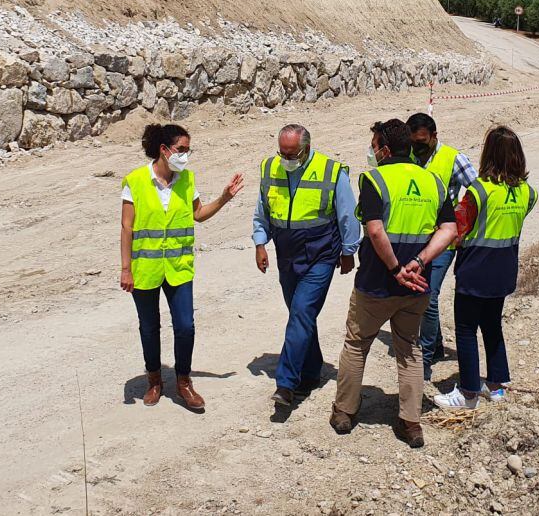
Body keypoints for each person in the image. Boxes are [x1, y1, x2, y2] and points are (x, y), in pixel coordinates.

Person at [330, 119, 458, 448]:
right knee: (410, 350)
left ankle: (344, 411)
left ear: (384, 150)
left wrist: (396, 267)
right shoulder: (433, 182)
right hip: (416, 285)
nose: (372, 152)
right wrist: (418, 263)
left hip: (376, 281)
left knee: (357, 344)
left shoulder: (374, 179)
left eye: (374, 146)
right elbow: (449, 230)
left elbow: (374, 230)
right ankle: (410, 422)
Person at [120, 123, 244, 411]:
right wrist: (126, 268)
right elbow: (127, 227)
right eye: (181, 150)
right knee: (149, 328)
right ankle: (154, 381)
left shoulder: (187, 180)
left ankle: (184, 381)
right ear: (164, 150)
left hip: (178, 267)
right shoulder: (136, 180)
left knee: (185, 326)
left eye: (188, 150)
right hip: (145, 269)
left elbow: (198, 214)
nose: (185, 156)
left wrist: (225, 197)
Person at [253, 124, 361, 407]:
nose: (286, 159)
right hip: (286, 254)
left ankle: (287, 383)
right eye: (283, 153)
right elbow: (262, 209)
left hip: (320, 254)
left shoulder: (331, 171)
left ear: (307, 148)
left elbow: (347, 214)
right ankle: (312, 371)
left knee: (301, 312)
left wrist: (349, 251)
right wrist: (260, 243)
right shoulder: (270, 168)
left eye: (293, 153)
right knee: (301, 314)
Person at [433, 125, 537, 410]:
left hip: (475, 269)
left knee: (466, 328)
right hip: (504, 270)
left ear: (488, 154)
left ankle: (467, 393)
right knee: (492, 326)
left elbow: (459, 228)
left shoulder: (479, 191)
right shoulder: (527, 193)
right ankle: (496, 386)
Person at [406, 112, 479, 381]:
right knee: (421, 294)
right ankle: (435, 345)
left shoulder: (452, 158)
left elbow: (478, 192)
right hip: (416, 239)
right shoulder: (410, 157)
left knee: (429, 295)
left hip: (443, 239)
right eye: (413, 143)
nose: (417, 149)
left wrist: (462, 227)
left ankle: (424, 357)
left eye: (422, 143)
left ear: (434, 137)